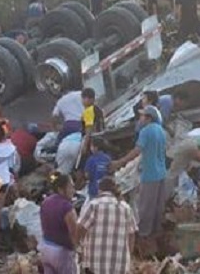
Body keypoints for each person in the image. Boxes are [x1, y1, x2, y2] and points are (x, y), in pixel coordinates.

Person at [109, 105, 168, 251]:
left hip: (149, 174)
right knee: (157, 207)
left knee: (145, 207)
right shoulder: (161, 130)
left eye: (142, 116)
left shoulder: (146, 131)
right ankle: (155, 234)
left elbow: (137, 151)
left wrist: (119, 162)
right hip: (162, 173)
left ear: (148, 118)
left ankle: (143, 237)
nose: (140, 118)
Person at [77, 177, 137, 274]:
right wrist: (128, 255)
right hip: (119, 266)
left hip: (95, 264)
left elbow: (80, 228)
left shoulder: (93, 205)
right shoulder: (126, 208)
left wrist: (79, 247)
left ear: (100, 190)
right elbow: (132, 234)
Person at [38, 173, 78, 274]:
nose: (73, 190)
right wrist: (78, 250)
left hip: (45, 248)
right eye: (71, 187)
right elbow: (74, 233)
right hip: (62, 253)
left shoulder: (45, 202)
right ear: (61, 189)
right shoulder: (67, 207)